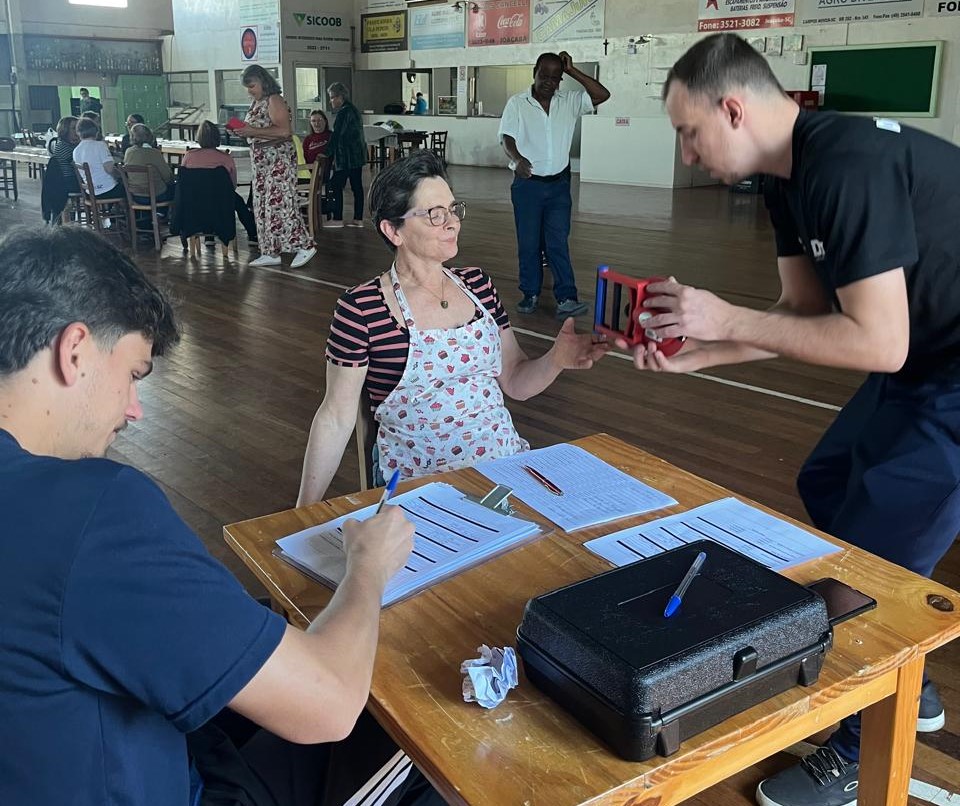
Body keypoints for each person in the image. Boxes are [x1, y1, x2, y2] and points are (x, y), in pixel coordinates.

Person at [0, 225, 444, 806]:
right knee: (413, 723)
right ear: (75, 350)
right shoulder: (90, 512)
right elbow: (329, 705)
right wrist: (369, 567)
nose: (134, 410)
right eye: (133, 375)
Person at [630, 32, 957, 806]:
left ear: (733, 109)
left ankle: (861, 752)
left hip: (941, 368)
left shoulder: (846, 163)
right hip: (924, 355)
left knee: (874, 564)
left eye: (688, 132)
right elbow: (804, 313)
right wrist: (702, 353)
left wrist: (722, 316)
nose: (686, 154)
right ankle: (909, 670)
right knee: (829, 481)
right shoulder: (788, 178)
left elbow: (877, 341)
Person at [298, 151, 608, 505]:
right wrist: (302, 514)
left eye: (452, 209)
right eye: (435, 214)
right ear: (393, 230)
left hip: (505, 469)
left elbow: (515, 381)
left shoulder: (479, 285)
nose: (452, 223)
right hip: (422, 488)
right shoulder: (362, 309)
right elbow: (335, 418)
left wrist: (556, 359)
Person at [498, 51, 610, 319]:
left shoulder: (569, 101)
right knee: (529, 243)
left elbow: (602, 95)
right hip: (528, 186)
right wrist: (517, 158)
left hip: (558, 186)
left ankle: (567, 298)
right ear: (534, 73)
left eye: (555, 77)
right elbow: (506, 137)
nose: (549, 82)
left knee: (557, 243)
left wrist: (573, 70)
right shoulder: (517, 103)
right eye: (544, 75)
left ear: (561, 79)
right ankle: (530, 293)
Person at [233, 65, 316, 268]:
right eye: (247, 87)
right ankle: (270, 251)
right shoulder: (257, 102)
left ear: (263, 82)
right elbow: (258, 130)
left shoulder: (274, 99)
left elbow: (284, 131)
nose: (249, 91)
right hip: (261, 162)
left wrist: (251, 130)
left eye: (252, 86)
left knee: (281, 204)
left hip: (277, 159)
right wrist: (244, 132)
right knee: (262, 207)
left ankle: (305, 245)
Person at [181, 120, 259, 242]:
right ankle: (252, 233)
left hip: (195, 199)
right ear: (218, 137)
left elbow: (184, 182)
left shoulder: (188, 156)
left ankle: (208, 235)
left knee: (205, 201)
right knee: (239, 203)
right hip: (221, 199)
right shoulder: (225, 158)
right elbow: (232, 186)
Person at [325, 82, 367, 228]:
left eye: (332, 97)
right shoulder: (353, 110)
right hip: (357, 156)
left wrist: (326, 153)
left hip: (346, 157)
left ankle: (337, 219)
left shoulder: (344, 112)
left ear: (340, 97)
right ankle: (358, 219)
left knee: (335, 185)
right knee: (357, 187)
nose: (331, 101)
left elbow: (337, 135)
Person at [123, 123, 175, 203]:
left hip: (135, 196)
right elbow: (168, 177)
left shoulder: (128, 152)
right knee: (177, 189)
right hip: (157, 195)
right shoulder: (154, 153)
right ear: (149, 136)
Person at [73, 116, 123, 200]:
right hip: (107, 190)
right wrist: (121, 176)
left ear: (78, 133)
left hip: (90, 192)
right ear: (96, 131)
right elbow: (109, 169)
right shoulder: (100, 145)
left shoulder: (76, 150)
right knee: (128, 190)